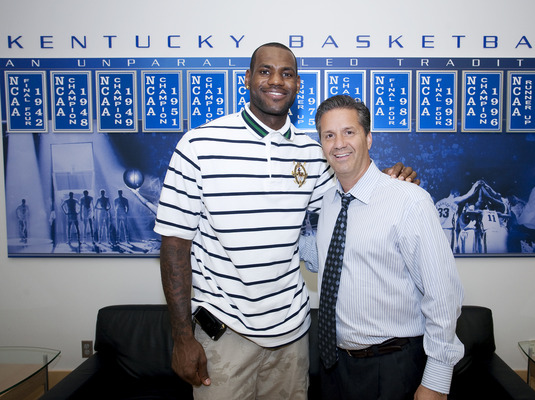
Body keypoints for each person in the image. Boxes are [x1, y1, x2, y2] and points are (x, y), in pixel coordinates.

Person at [153, 43, 418, 400]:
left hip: (292, 338)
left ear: (296, 85)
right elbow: (174, 245)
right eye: (265, 71)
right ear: (247, 79)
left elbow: (353, 194)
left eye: (286, 73)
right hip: (224, 336)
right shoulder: (199, 145)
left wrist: (390, 179)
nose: (276, 80)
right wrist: (183, 337)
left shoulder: (312, 153)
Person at [301, 95, 464, 400]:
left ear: (369, 138)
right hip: (334, 367)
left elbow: (443, 296)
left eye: (349, 132)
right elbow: (322, 261)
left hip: (393, 367)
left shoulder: (409, 201)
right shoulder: (327, 204)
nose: (339, 143)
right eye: (329, 135)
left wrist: (437, 381)